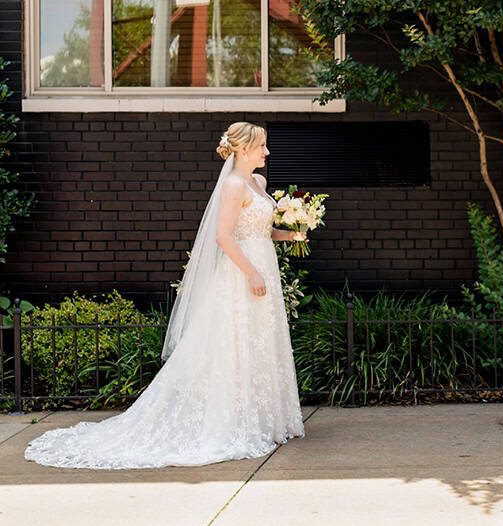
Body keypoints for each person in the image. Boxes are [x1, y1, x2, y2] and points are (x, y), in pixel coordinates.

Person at [24, 122, 307, 468]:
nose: (267, 152)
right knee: (235, 343)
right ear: (244, 149)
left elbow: (261, 231)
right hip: (242, 273)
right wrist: (250, 272)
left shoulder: (258, 183)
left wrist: (289, 235)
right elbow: (223, 236)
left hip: (264, 267)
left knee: (260, 342)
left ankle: (263, 419)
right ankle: (232, 421)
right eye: (262, 146)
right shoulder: (233, 185)